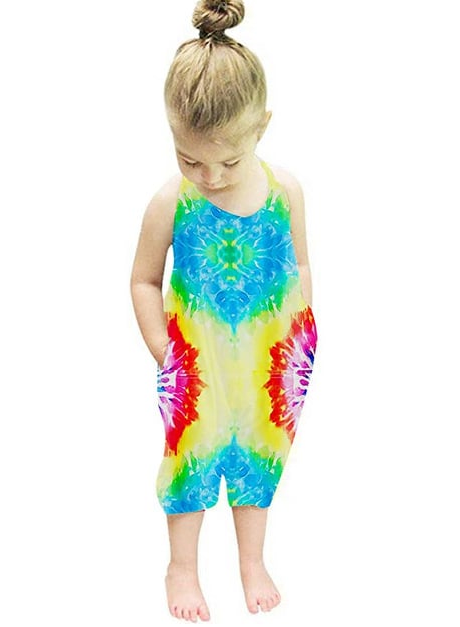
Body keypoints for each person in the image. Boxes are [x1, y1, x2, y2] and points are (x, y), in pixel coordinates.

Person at [130, 0, 318, 621]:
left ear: (262, 126)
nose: (208, 176)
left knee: (259, 461)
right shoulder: (171, 202)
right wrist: (164, 350)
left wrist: (301, 333)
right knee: (191, 462)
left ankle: (251, 561)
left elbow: (299, 267)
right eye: (189, 159)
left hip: (268, 363)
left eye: (227, 161)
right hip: (198, 367)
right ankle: (181, 568)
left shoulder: (286, 191)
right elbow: (144, 280)